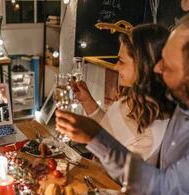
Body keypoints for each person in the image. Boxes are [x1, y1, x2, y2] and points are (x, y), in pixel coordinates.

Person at [56, 10, 189, 195]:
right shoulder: (183, 100)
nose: (156, 69)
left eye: (168, 65)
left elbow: (159, 187)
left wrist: (95, 137)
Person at [72, 23, 174, 162]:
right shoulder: (133, 96)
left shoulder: (152, 133)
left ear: (143, 66)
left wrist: (90, 137)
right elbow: (110, 131)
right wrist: (87, 101)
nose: (115, 66)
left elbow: (120, 177)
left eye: (121, 61)